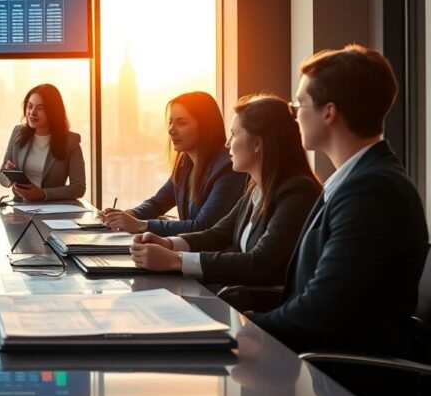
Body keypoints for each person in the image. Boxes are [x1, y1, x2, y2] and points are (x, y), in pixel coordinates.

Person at [249, 45, 427, 361]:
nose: (294, 116)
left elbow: (322, 311)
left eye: (298, 105)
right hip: (317, 359)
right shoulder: (355, 181)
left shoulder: (373, 191)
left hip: (343, 376)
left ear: (329, 112)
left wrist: (238, 327)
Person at [129, 94, 321, 289]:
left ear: (257, 144)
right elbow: (217, 234)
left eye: (234, 135)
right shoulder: (256, 189)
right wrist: (168, 244)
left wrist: (176, 260)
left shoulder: (297, 193)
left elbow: (260, 263)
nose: (228, 143)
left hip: (263, 311)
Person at [102, 91, 246, 236]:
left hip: (208, 256)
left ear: (205, 126)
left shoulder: (228, 168)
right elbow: (157, 203)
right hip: (186, 252)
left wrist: (141, 225)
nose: (171, 130)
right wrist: (128, 215)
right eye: (170, 122)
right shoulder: (185, 163)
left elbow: (203, 226)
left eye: (181, 123)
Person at [0, 83, 86, 201]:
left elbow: (79, 188)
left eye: (40, 108)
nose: (32, 113)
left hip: (54, 210)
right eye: (29, 106)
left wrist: (43, 194)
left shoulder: (71, 141)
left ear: (53, 111)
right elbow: (1, 178)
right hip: (21, 207)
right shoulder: (18, 133)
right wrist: (9, 174)